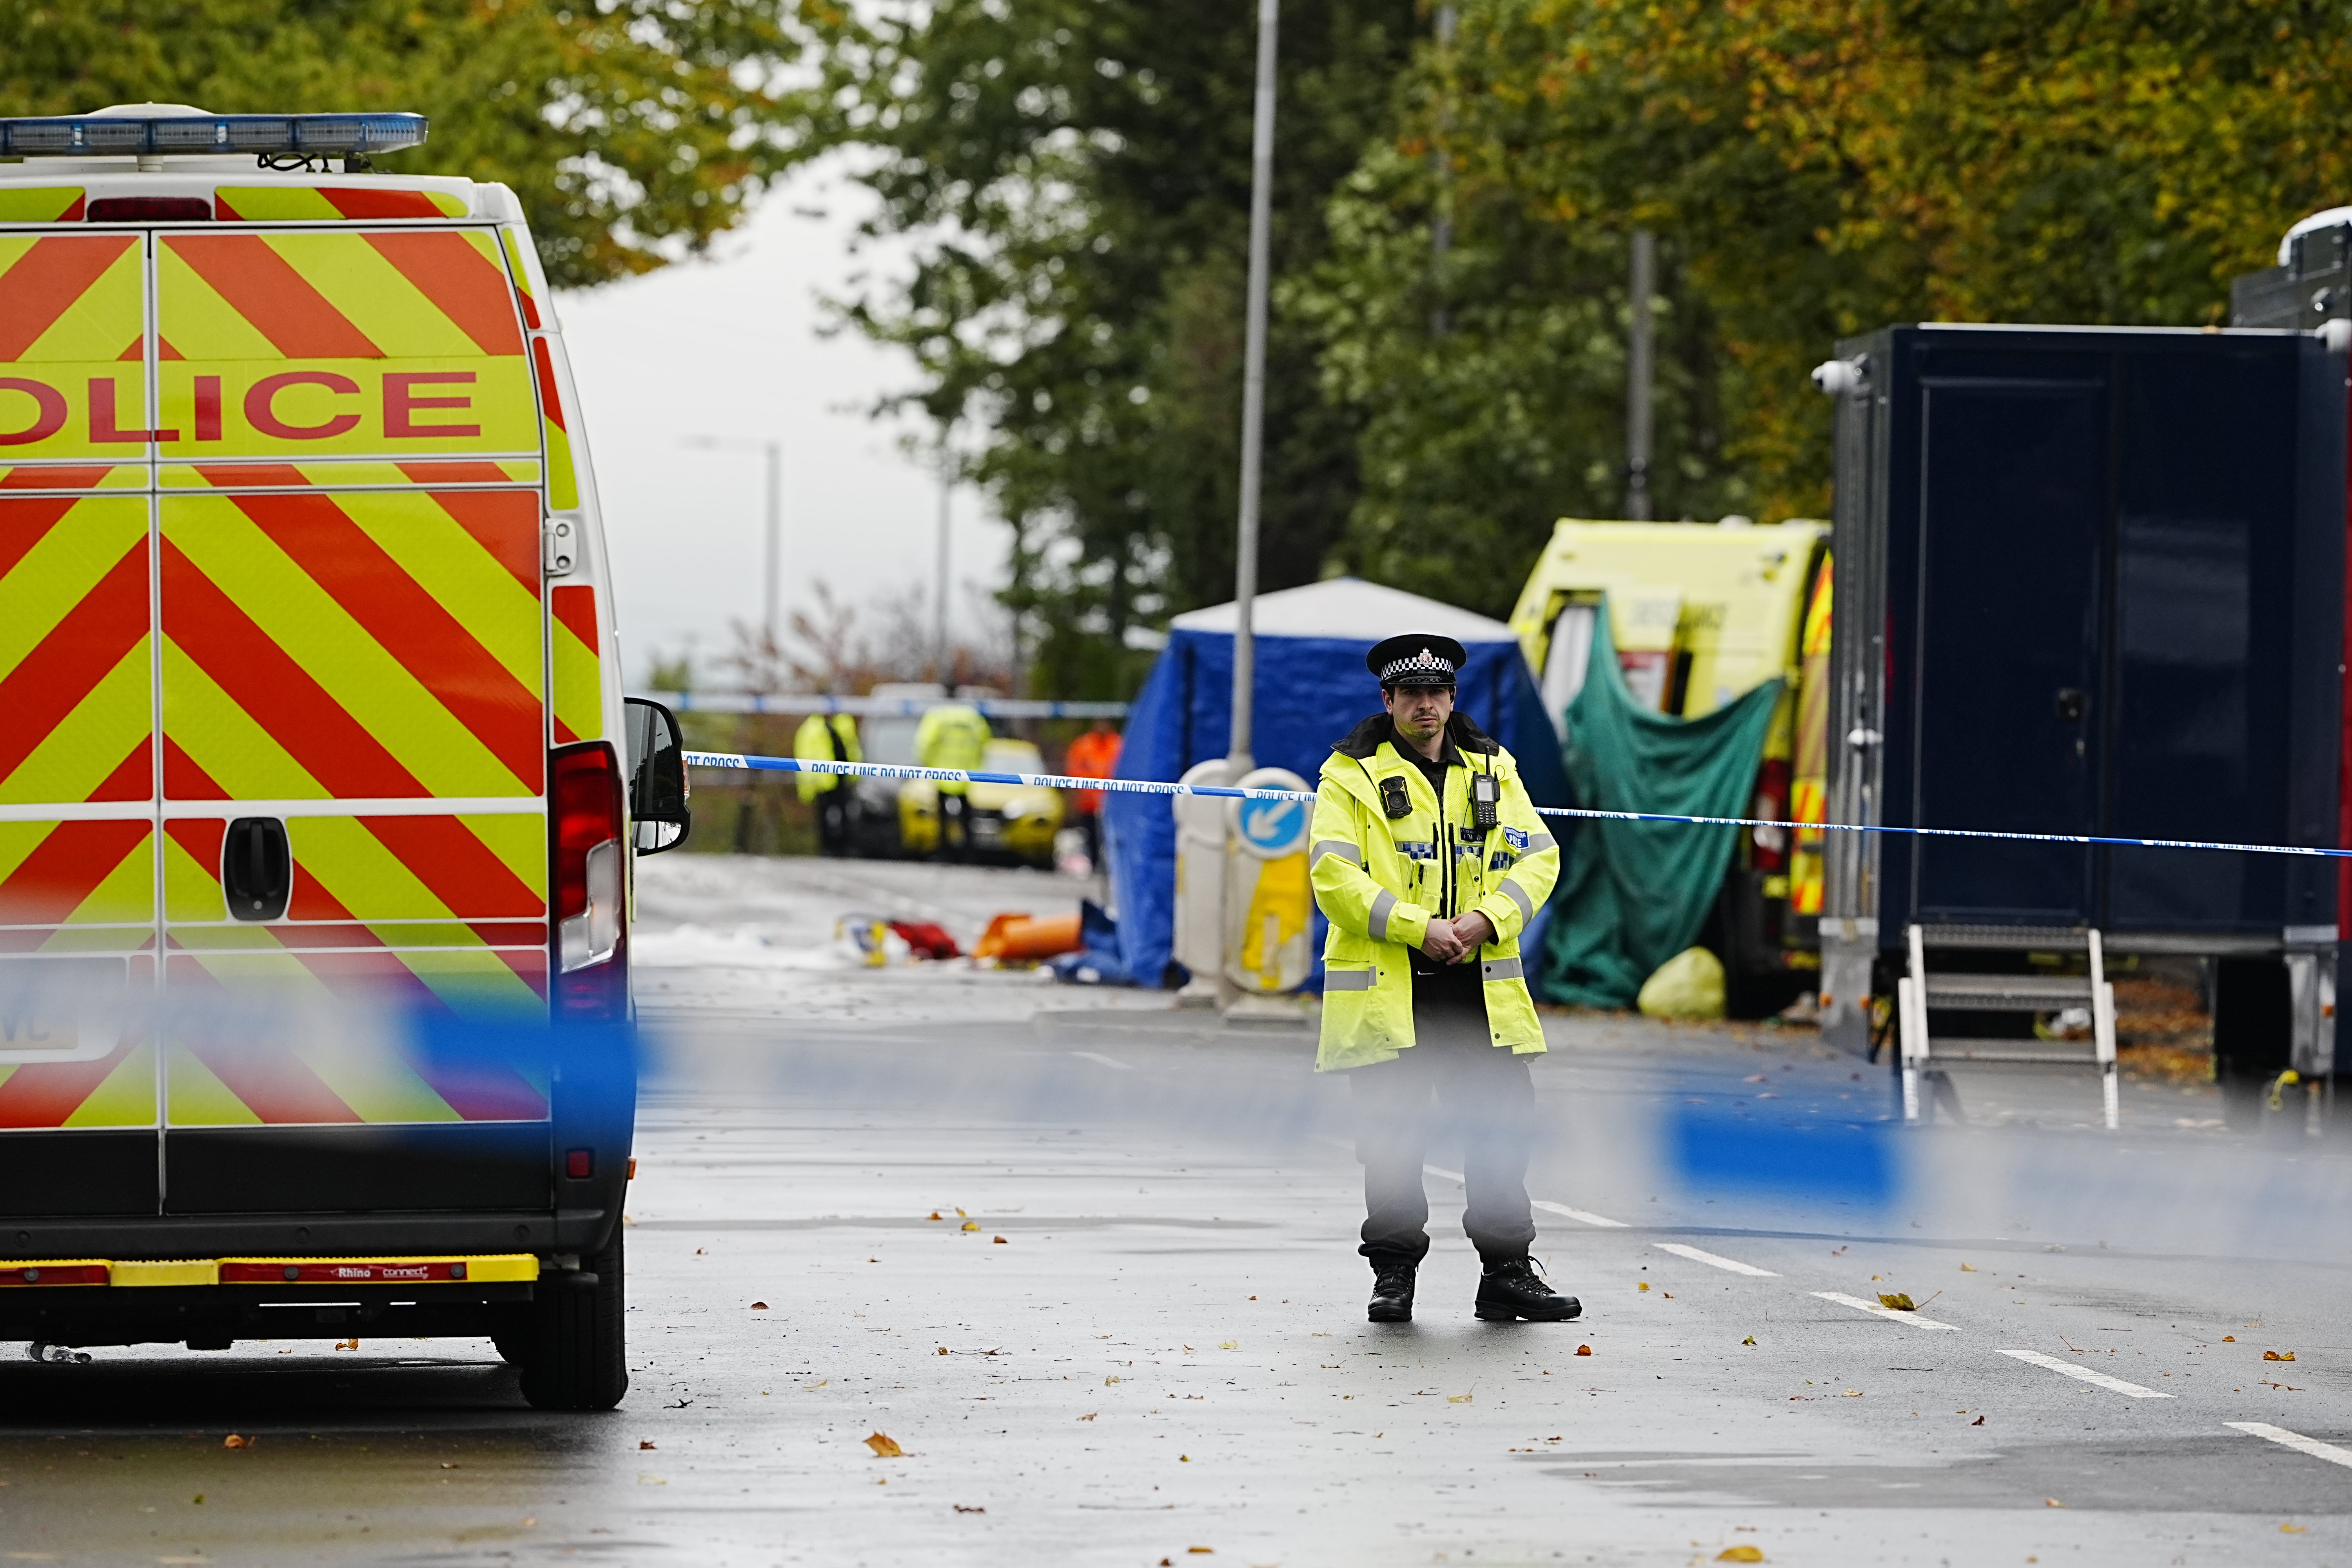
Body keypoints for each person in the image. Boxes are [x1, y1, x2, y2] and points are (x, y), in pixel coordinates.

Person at [1307, 633, 1575, 1325]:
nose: (1426, 705)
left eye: (1438, 692)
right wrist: (1416, 926)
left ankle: (1508, 1273)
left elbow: (1538, 858)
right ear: (1388, 700)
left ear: (1453, 699)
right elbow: (1333, 879)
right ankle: (1393, 1277)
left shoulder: (1493, 768)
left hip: (1479, 989)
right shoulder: (1349, 777)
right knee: (1394, 1137)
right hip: (1391, 988)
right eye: (1412, 694)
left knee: (1501, 1129)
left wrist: (1486, 920)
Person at [914, 700, 991, 862]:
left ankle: (944, 852)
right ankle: (968, 853)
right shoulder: (972, 716)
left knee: (943, 818)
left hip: (943, 774)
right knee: (966, 818)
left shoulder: (938, 715)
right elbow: (985, 740)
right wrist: (977, 764)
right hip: (965, 774)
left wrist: (928, 764)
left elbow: (925, 742)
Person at [793, 709, 862, 857]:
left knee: (846, 815)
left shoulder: (844, 722)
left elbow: (852, 748)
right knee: (824, 818)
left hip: (843, 778)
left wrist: (855, 775)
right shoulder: (810, 729)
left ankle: (845, 848)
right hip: (822, 783)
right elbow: (805, 758)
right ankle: (827, 849)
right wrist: (809, 786)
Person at [1061, 717, 1123, 866]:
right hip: (1088, 801)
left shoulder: (1118, 744)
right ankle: (1095, 862)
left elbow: (1125, 770)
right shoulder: (1084, 745)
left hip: (1113, 802)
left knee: (1112, 834)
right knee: (1091, 835)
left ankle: (1112, 865)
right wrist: (1087, 791)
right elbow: (1074, 769)